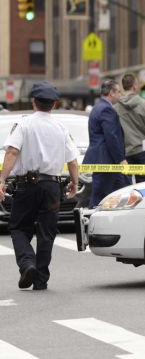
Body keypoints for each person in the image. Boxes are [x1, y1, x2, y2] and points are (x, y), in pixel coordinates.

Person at [0, 82, 79, 291]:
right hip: (52, 186)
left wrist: (1, 180)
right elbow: (72, 161)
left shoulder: (24, 124)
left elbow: (12, 152)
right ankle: (41, 280)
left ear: (33, 102)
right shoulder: (61, 128)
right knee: (47, 233)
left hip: (26, 185)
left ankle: (27, 264)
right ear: (54, 104)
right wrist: (75, 182)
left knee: (19, 228)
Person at [83, 79, 128, 208]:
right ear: (111, 93)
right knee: (100, 197)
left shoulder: (99, 107)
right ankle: (90, 219)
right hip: (106, 161)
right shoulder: (106, 109)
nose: (120, 94)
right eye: (118, 92)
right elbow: (111, 136)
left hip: (106, 160)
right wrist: (120, 159)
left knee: (123, 192)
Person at [114, 74, 145, 183]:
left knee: (125, 185)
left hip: (123, 152)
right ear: (135, 86)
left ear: (123, 86)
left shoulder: (115, 107)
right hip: (142, 151)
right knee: (143, 185)